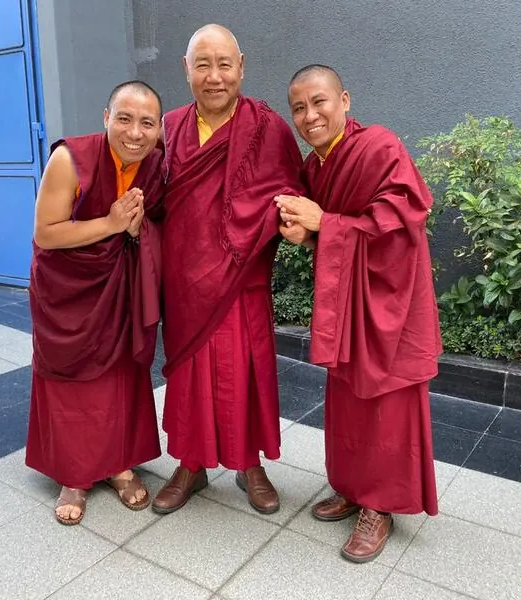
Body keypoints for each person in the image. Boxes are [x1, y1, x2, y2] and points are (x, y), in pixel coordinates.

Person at [276, 64, 442, 563]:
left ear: (344, 100)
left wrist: (322, 223)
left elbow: (397, 223)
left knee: (386, 404)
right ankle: (353, 487)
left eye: (319, 102)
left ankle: (381, 506)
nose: (310, 116)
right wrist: (308, 234)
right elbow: (330, 232)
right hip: (350, 300)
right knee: (348, 397)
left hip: (391, 298)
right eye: (299, 108)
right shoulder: (316, 166)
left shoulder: (380, 147)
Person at [152, 24, 305, 515]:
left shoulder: (270, 127)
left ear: (241, 66)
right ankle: (191, 466)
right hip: (183, 283)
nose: (214, 76)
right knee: (192, 377)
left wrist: (287, 222)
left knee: (246, 371)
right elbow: (151, 199)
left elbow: (291, 194)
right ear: (186, 69)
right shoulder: (168, 126)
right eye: (203, 65)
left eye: (224, 65)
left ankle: (250, 464)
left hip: (241, 280)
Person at [26, 81, 165, 525]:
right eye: (124, 119)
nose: (135, 133)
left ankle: (118, 464)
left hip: (120, 287)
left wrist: (137, 230)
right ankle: (75, 475)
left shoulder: (154, 165)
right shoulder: (70, 159)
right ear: (106, 117)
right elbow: (46, 232)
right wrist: (110, 223)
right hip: (68, 291)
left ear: (159, 129)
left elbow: (156, 224)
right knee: (73, 380)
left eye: (147, 123)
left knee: (120, 374)